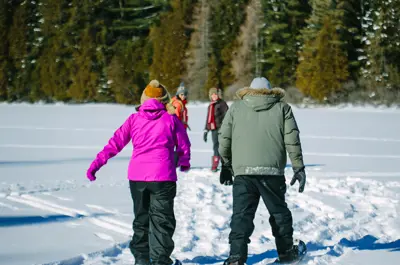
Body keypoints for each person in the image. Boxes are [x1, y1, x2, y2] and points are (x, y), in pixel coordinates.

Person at [86, 80, 191, 265]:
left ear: (144, 99)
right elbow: (184, 145)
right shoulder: (171, 119)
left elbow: (115, 143)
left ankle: (142, 260)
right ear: (164, 99)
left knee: (141, 220)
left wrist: (96, 164)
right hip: (163, 178)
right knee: (162, 222)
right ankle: (160, 261)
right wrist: (183, 162)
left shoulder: (134, 119)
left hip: (137, 179)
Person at [218, 77, 307, 264]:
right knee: (279, 214)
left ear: (249, 90)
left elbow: (224, 138)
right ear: (270, 91)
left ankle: (236, 257)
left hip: (244, 173)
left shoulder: (236, 108)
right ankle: (286, 254)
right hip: (272, 172)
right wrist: (298, 166)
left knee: (241, 216)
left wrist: (226, 164)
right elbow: (292, 139)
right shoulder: (282, 108)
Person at [203, 87, 229, 172]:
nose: (214, 96)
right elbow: (208, 119)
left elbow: (227, 117)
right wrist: (206, 130)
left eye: (215, 94)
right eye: (212, 94)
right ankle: (215, 164)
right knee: (215, 147)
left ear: (218, 95)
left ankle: (226, 165)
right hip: (214, 129)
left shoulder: (222, 104)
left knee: (223, 147)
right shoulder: (210, 105)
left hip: (221, 129)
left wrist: (224, 128)